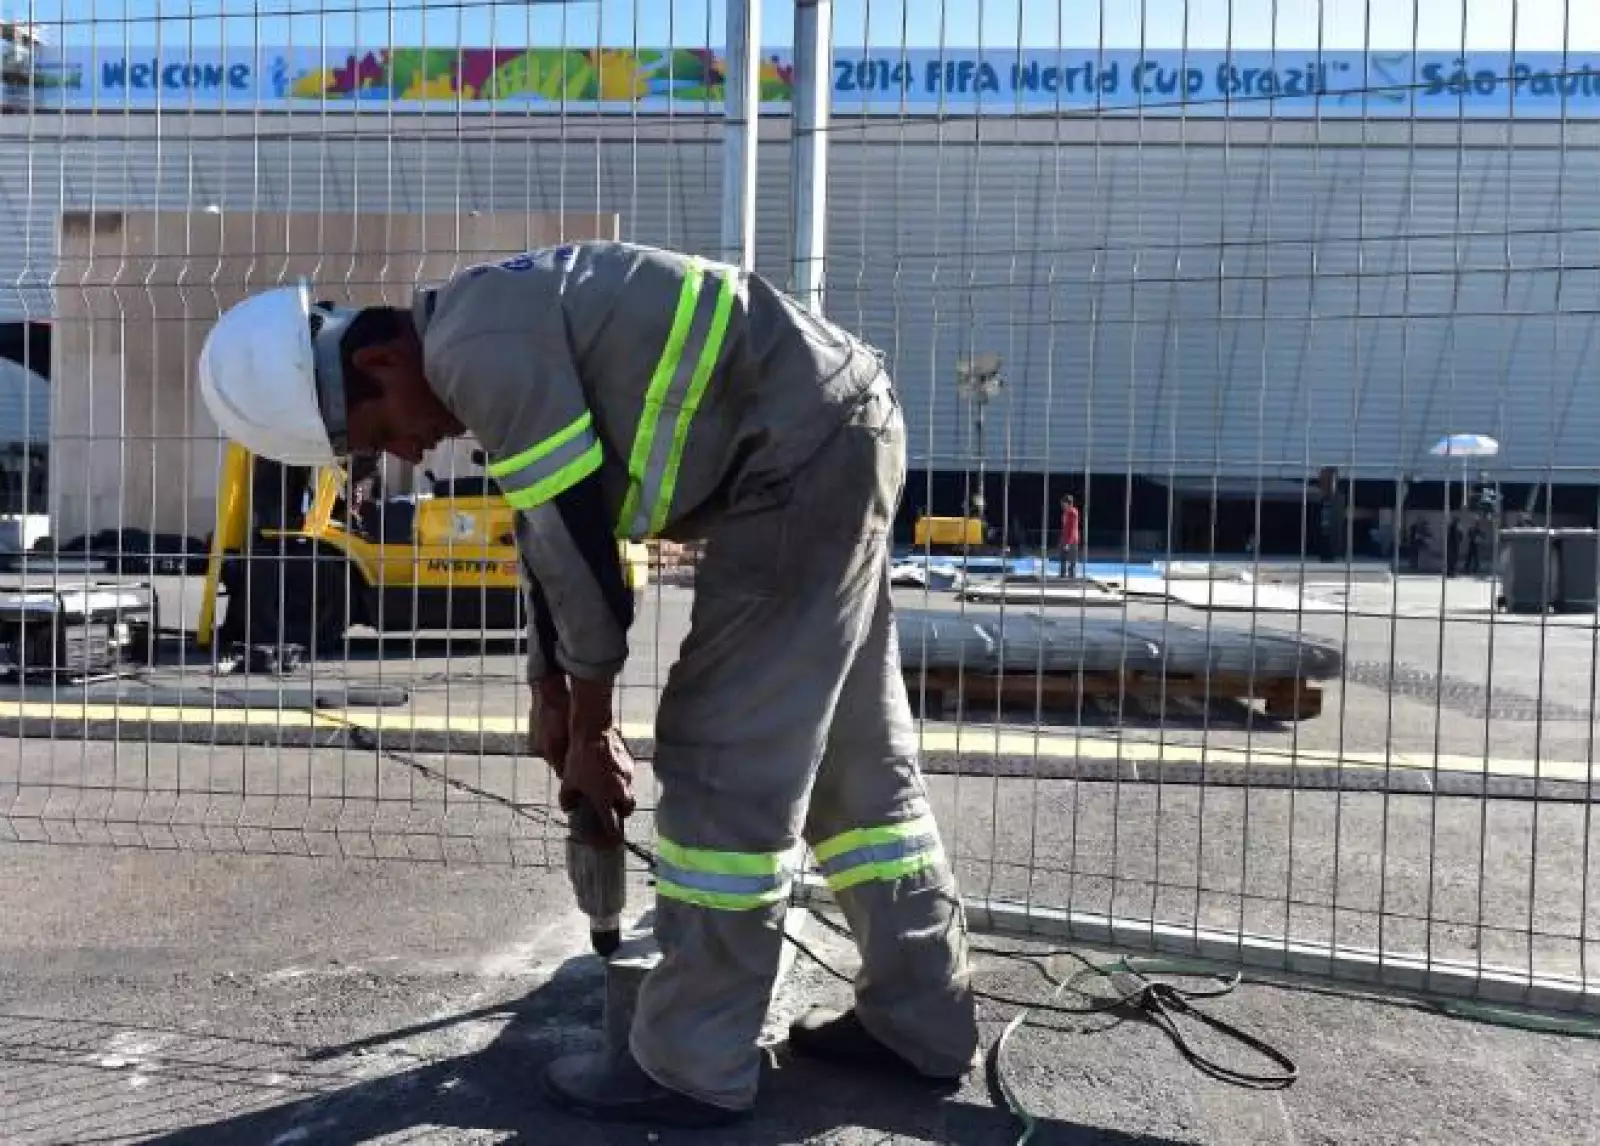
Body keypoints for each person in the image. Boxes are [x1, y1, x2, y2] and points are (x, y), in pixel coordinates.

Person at [195, 241, 979, 1128]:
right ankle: (921, 1019)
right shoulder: (481, 324)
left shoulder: (472, 353)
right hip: (832, 436)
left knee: (723, 745)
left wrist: (593, 727)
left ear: (379, 360)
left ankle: (692, 1063)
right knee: (854, 761)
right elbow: (550, 530)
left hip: (797, 461)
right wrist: (549, 698)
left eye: (383, 435)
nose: (414, 450)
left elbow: (585, 552)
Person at [1058, 493, 1081, 578]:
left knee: (1072, 560)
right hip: (1065, 538)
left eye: (1063, 503)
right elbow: (1065, 527)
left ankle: (1071, 576)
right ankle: (1062, 575)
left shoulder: (1073, 513)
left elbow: (1072, 528)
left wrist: (1068, 543)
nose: (1062, 505)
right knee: (1063, 558)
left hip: (1072, 540)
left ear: (1067, 503)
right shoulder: (1065, 513)